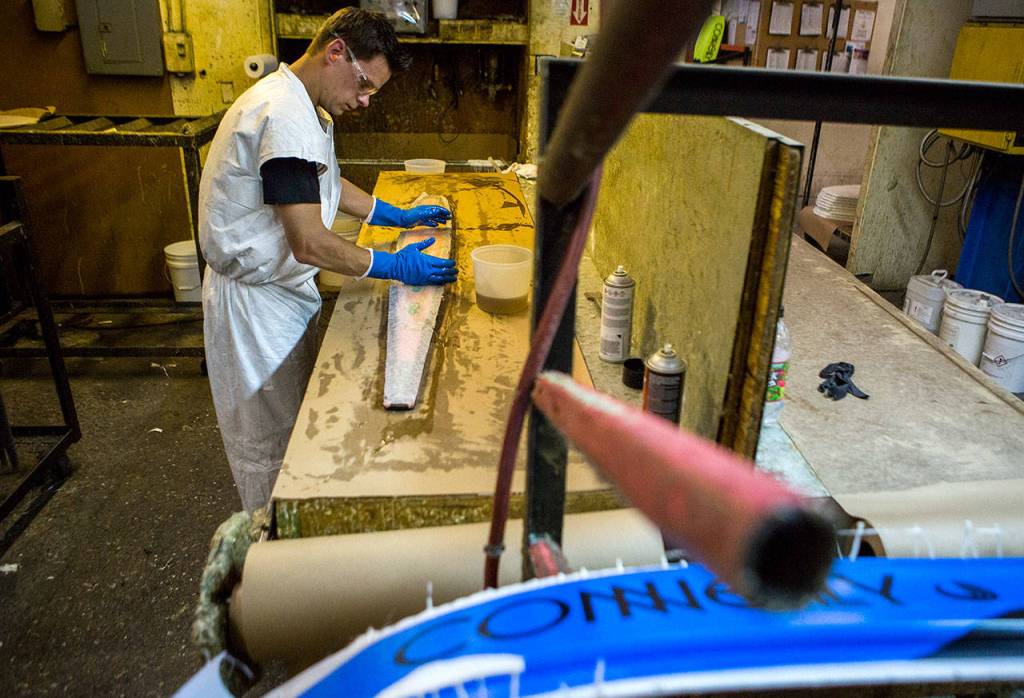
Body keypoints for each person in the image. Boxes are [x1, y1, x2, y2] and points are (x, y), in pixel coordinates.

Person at [199, 7, 457, 511]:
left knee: (293, 430)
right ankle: (271, 542)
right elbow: (310, 243)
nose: (364, 101)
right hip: (254, 311)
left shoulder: (301, 104)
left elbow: (324, 181)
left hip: (278, 294)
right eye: (364, 85)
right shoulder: (282, 114)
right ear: (336, 52)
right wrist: (392, 265)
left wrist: (392, 214)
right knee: (270, 451)